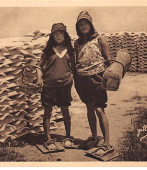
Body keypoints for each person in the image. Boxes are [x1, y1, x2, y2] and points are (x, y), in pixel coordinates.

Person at [73, 11, 114, 156]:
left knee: (99, 109)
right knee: (89, 108)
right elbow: (76, 60)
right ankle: (95, 137)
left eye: (86, 23)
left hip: (97, 77)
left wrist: (108, 77)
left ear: (91, 24)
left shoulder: (100, 39)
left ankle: (107, 142)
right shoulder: (77, 43)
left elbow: (108, 60)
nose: (83, 26)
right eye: (81, 24)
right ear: (78, 27)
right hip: (82, 79)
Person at [36, 23, 75, 150]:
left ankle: (68, 136)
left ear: (65, 35)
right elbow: (38, 67)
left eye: (60, 33)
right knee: (47, 112)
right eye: (55, 33)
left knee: (65, 111)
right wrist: (39, 78)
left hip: (65, 85)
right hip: (49, 86)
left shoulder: (69, 50)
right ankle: (48, 139)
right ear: (52, 36)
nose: (58, 36)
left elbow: (74, 67)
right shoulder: (48, 51)